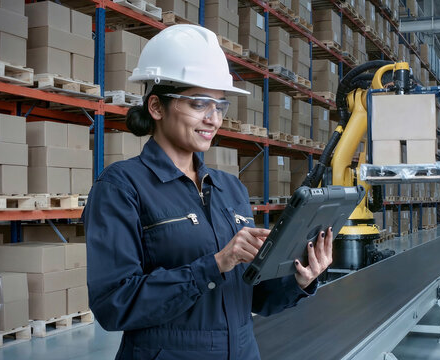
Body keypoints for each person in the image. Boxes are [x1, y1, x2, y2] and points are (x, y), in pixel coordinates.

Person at [82, 25, 333, 360]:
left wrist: (300, 279)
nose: (213, 119)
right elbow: (114, 304)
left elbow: (255, 298)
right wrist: (214, 264)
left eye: (220, 106)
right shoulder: (121, 187)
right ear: (156, 107)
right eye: (200, 104)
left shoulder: (231, 188)